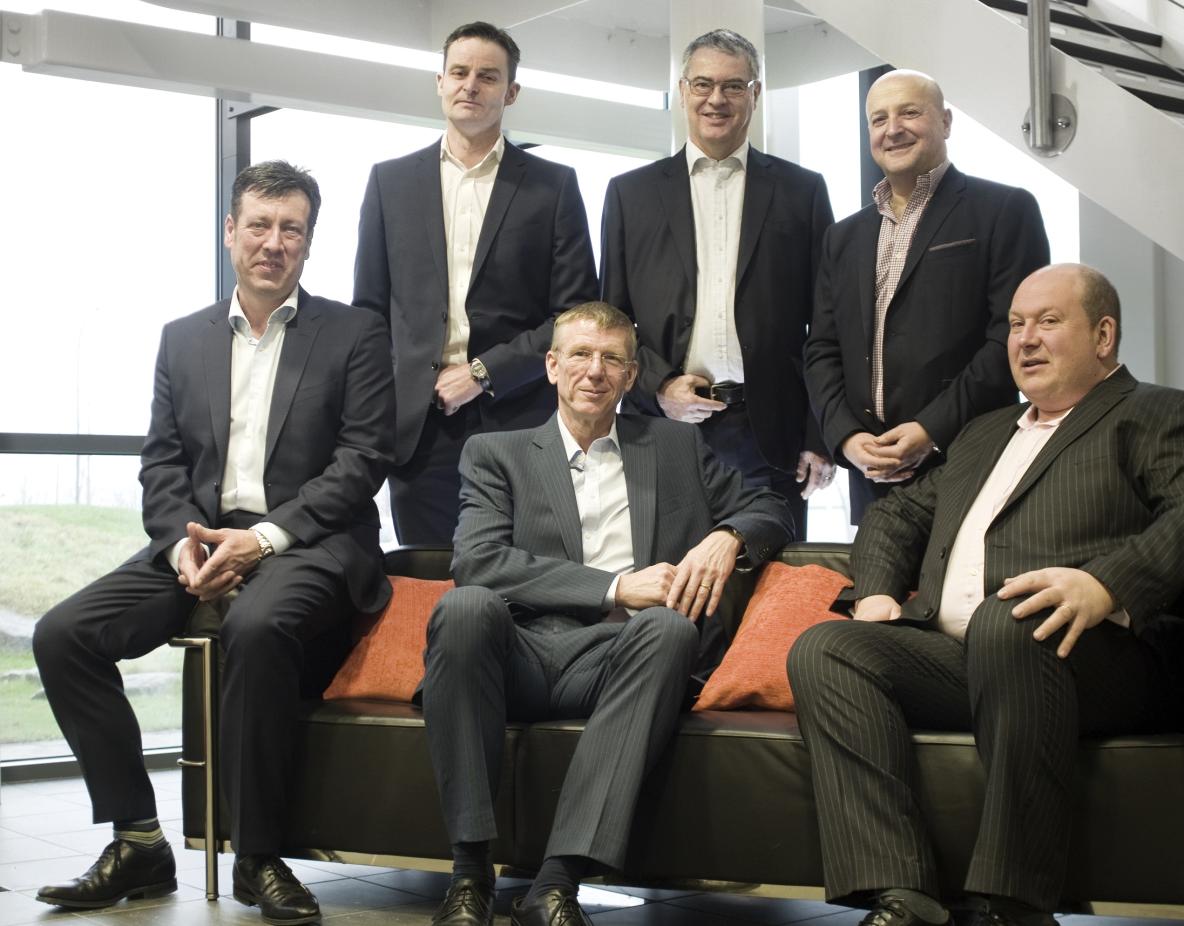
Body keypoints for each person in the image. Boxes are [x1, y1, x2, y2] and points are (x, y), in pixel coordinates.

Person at [788, 263, 1184, 926]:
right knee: (826, 649)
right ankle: (900, 892)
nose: (1024, 339)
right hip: (966, 653)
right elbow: (895, 515)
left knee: (1010, 621)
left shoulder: (1161, 414)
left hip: (1094, 655)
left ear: (1104, 335)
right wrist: (879, 595)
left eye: (1048, 322)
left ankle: (1012, 904)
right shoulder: (984, 432)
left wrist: (1105, 583)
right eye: (1015, 325)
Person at [32, 161, 395, 925]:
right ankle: (137, 838)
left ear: (307, 241)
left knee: (256, 626)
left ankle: (257, 856)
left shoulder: (356, 334)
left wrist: (261, 539)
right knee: (64, 635)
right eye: (258, 225)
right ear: (230, 233)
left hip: (308, 542)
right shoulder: (182, 338)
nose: (273, 243)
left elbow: (362, 461)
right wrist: (180, 547)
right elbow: (161, 460)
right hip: (197, 542)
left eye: (290, 228)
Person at [421, 302, 794, 926]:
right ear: (551, 365)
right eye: (580, 355)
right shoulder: (496, 452)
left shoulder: (675, 445)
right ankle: (468, 875)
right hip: (520, 650)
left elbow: (770, 507)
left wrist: (727, 535)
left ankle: (556, 884)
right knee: (464, 606)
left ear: (629, 375)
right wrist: (617, 586)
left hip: (620, 659)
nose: (594, 371)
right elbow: (478, 562)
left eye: (611, 359)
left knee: (671, 627)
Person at [354, 20, 598, 544]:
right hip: (419, 430)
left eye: (487, 76)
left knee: (522, 584)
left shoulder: (553, 187)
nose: (471, 85)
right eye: (459, 72)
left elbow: (575, 318)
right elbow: (370, 314)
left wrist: (485, 372)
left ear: (510, 92)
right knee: (429, 584)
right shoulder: (389, 183)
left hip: (518, 419)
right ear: (439, 82)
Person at [601, 28, 835, 539]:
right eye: (703, 84)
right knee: (667, 586)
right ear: (683, 90)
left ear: (755, 94)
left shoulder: (803, 191)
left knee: (770, 599)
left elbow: (828, 321)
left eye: (733, 86)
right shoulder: (629, 195)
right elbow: (611, 324)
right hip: (662, 428)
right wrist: (660, 385)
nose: (716, 99)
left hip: (773, 434)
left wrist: (821, 435)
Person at [804, 69, 1050, 523]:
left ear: (947, 122)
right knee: (878, 595)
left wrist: (929, 430)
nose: (892, 129)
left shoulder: (1004, 211)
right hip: (871, 474)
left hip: (968, 461)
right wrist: (845, 438)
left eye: (909, 113)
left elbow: (1009, 341)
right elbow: (822, 348)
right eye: (878, 119)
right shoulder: (843, 237)